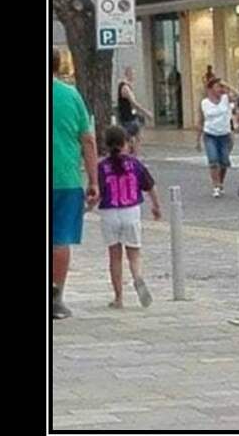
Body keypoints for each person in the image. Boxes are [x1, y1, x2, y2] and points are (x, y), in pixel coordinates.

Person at [52, 47, 99, 319]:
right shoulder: (71, 95)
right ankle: (56, 298)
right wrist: (94, 181)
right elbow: (88, 140)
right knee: (60, 239)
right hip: (66, 178)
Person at [97, 126, 162, 309]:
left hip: (109, 213)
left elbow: (96, 193)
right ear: (126, 143)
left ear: (106, 145)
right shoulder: (135, 164)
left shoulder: (102, 167)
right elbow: (150, 186)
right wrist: (156, 206)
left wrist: (86, 207)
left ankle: (118, 297)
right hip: (131, 211)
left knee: (114, 257)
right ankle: (137, 277)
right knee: (134, 254)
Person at [197, 77, 233, 198]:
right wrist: (198, 140)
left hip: (225, 135)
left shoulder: (226, 99)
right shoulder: (204, 103)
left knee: (224, 162)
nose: (220, 89)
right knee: (213, 160)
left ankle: (221, 182)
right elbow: (201, 121)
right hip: (210, 134)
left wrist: (227, 86)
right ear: (210, 89)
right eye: (217, 86)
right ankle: (216, 186)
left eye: (220, 86)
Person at [117, 67, 153, 155]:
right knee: (134, 137)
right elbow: (134, 103)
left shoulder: (127, 86)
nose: (134, 77)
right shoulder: (125, 87)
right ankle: (133, 156)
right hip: (127, 117)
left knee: (135, 137)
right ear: (128, 74)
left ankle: (131, 153)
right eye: (133, 74)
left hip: (129, 116)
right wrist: (146, 112)